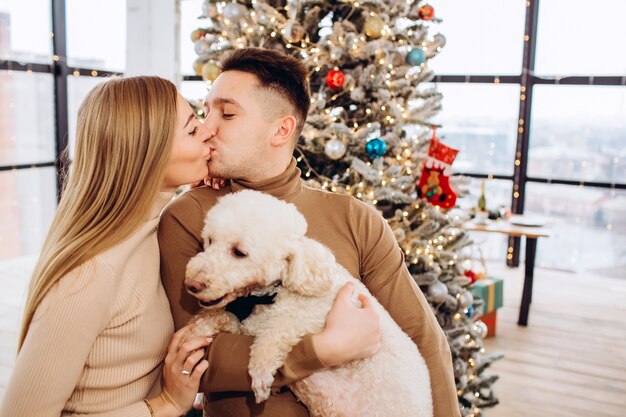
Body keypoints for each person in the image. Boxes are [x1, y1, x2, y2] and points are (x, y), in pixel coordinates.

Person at [158, 48, 461, 417]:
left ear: (281, 129)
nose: (208, 127)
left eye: (227, 113)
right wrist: (319, 350)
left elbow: (424, 339)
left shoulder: (355, 219)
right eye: (206, 111)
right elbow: (189, 357)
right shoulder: (191, 215)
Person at [1, 76, 216, 417]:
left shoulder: (153, 228)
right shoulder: (90, 274)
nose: (208, 132)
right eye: (192, 130)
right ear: (149, 155)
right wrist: (166, 404)